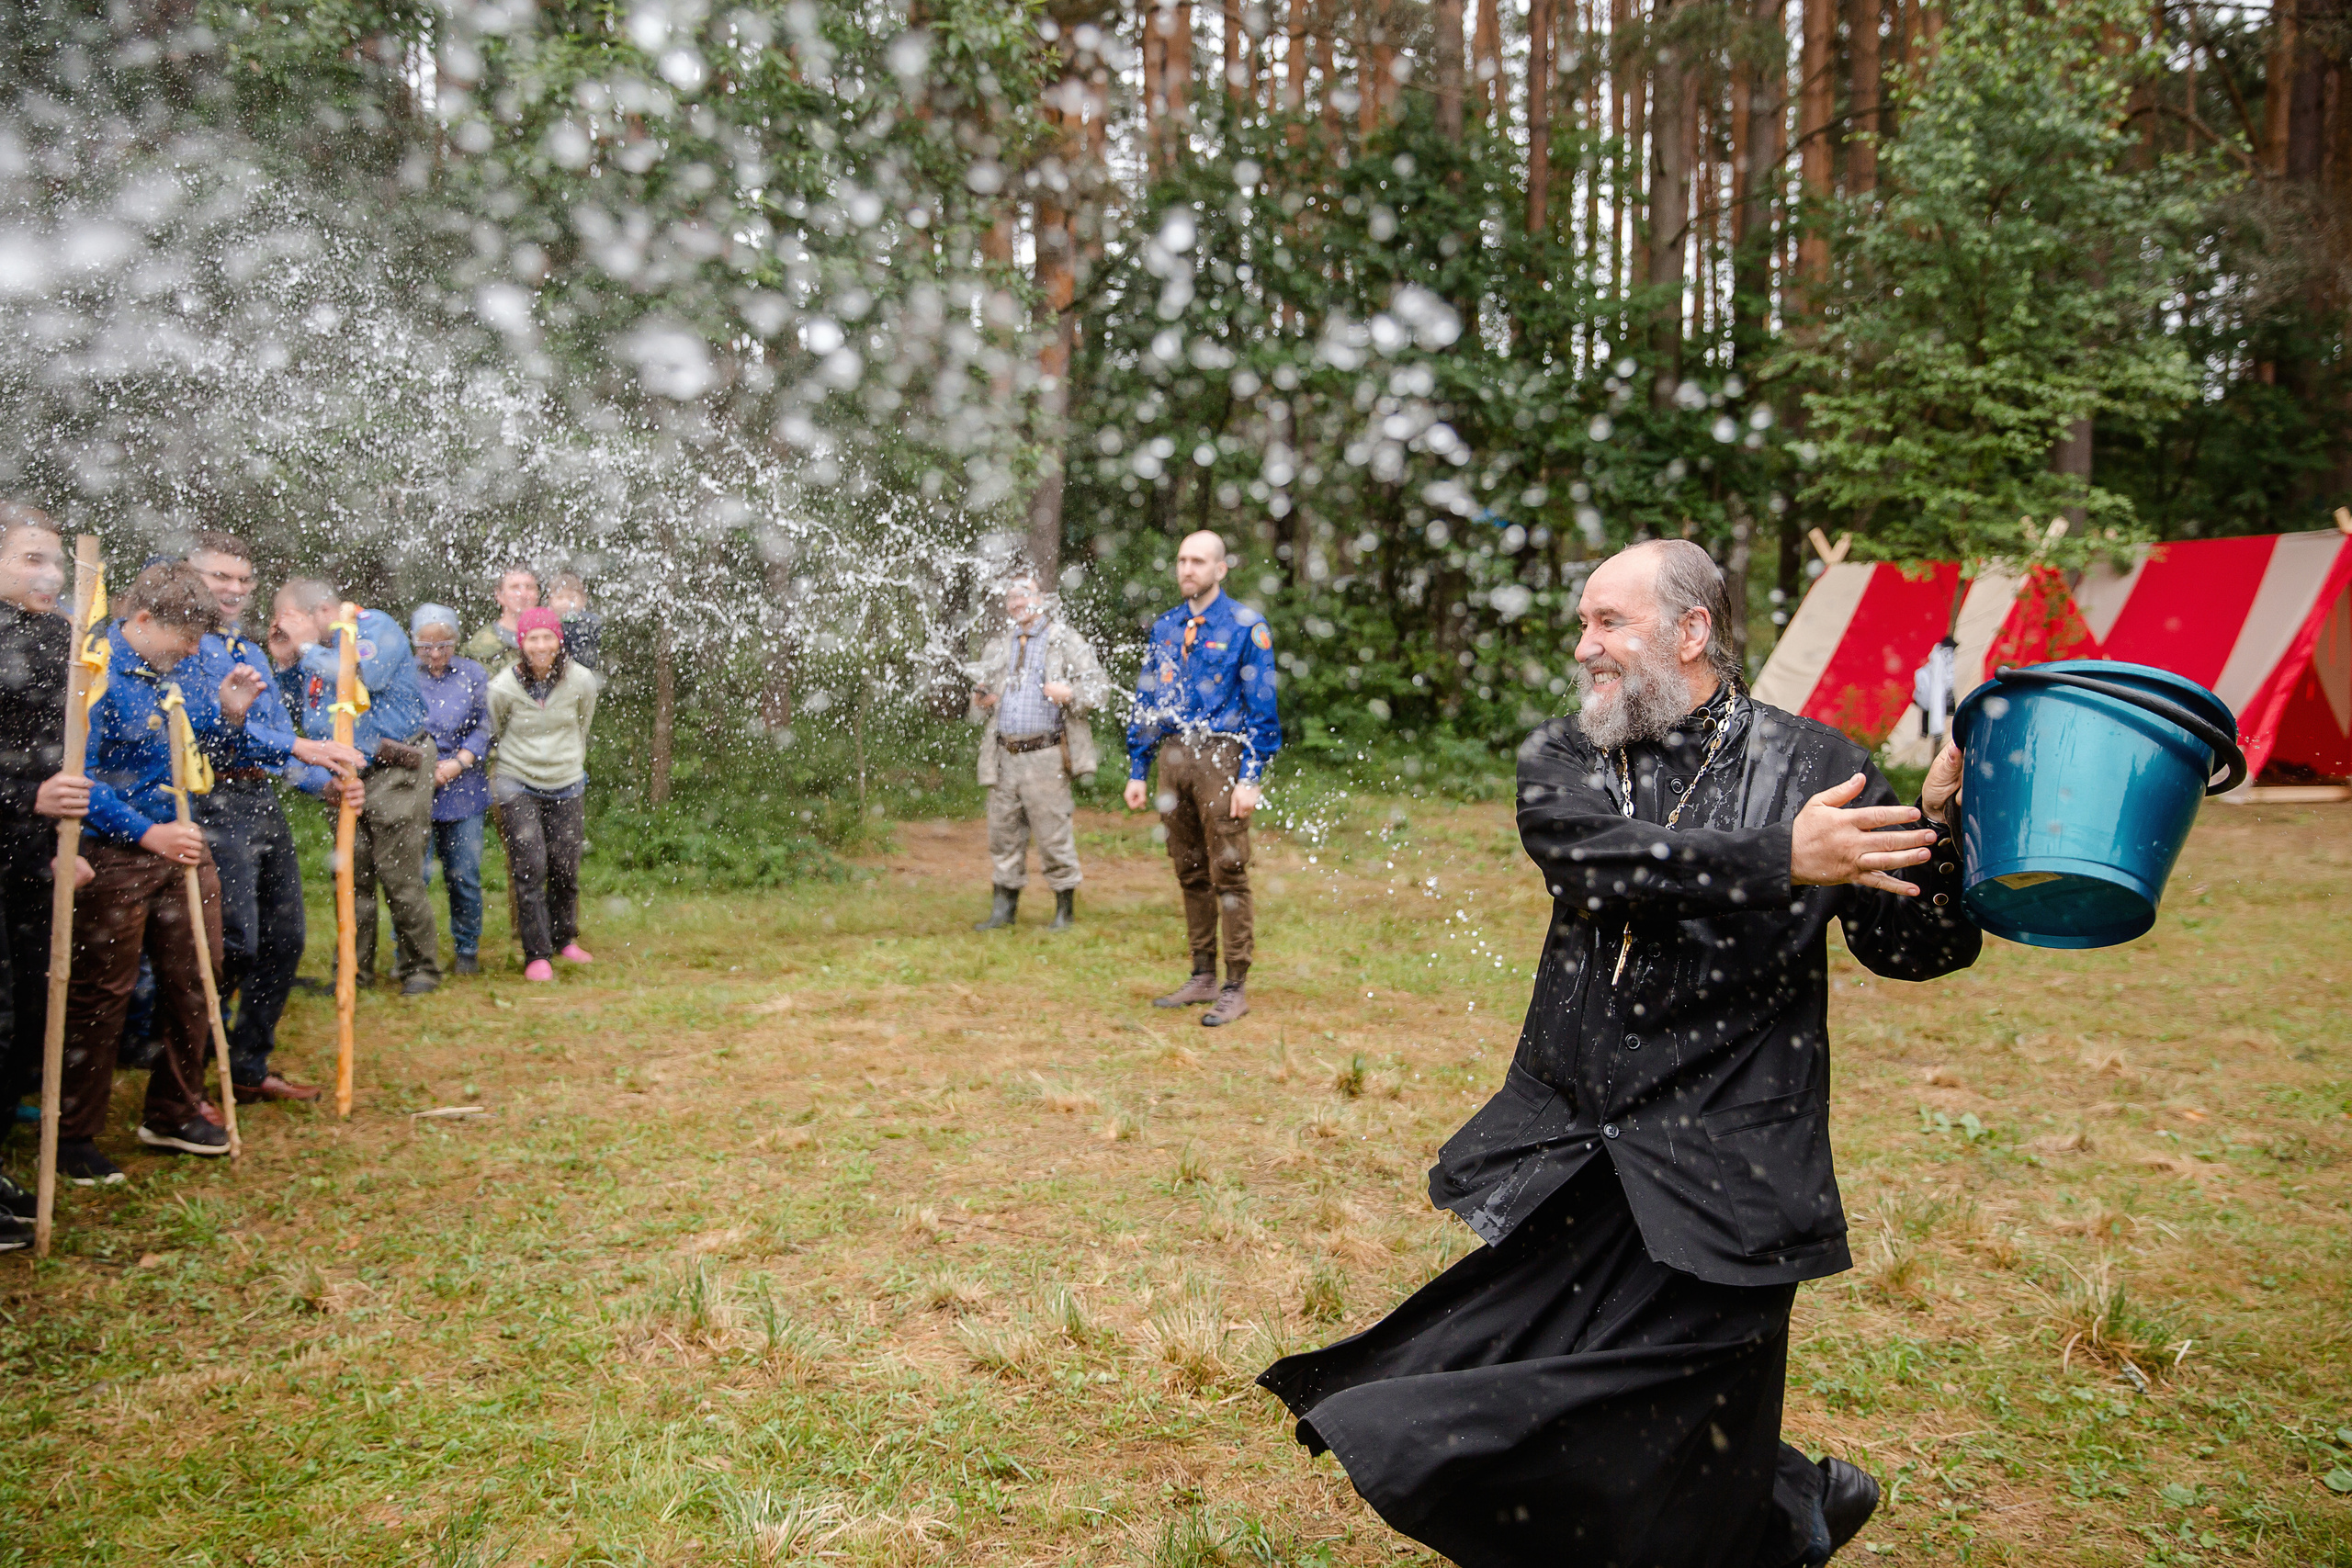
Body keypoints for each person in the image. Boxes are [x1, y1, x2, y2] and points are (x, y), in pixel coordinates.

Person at [1256, 539, 1981, 1568]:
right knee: (1523, 1401)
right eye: (1582, 623)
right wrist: (1782, 855)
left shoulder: (1820, 766)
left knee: (1683, 1426)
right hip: (1590, 1152)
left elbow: (1912, 947)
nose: (1584, 646)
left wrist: (1942, 830)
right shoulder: (1567, 757)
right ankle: (1787, 1506)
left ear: (1692, 632)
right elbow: (1598, 866)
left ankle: (1778, 1506)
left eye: (1609, 622)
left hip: (1734, 1159)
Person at [58, 561, 283, 1175]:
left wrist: (230, 714)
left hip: (182, 842)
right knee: (105, 991)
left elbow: (200, 744)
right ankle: (74, 1133)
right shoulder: (95, 672)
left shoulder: (178, 670)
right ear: (143, 618)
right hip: (116, 853)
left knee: (199, 975)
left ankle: (172, 1111)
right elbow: (79, 777)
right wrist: (146, 833)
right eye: (185, 637)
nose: (191, 650)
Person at [185, 533, 364, 1103]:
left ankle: (247, 1063)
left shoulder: (250, 651)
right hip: (208, 801)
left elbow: (278, 743)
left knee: (285, 939)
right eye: (220, 576)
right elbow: (204, 737)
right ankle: (188, 1068)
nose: (234, 589)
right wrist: (302, 748)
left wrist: (324, 783)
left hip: (260, 801)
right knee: (232, 943)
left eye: (244, 579)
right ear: (192, 576)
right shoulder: (183, 646)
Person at [1122, 530, 1283, 1028]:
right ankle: (1202, 974)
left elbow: (1262, 707)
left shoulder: (1246, 627)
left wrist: (1251, 776)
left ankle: (1235, 986)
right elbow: (1147, 698)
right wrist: (1138, 767)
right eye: (1182, 560)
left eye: (1198, 561)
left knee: (1228, 870)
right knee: (1188, 867)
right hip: (1174, 756)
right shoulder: (1167, 626)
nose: (1187, 569)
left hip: (1221, 757)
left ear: (1220, 569)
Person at [275, 578, 441, 996]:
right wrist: (286, 663)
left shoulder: (372, 627)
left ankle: (420, 967)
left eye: (289, 618)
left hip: (395, 767)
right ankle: (352, 970)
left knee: (399, 874)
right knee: (351, 875)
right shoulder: (313, 652)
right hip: (344, 773)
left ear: (319, 612)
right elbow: (291, 710)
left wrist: (306, 648)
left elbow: (357, 677)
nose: (283, 626)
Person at [0, 505, 87, 1222]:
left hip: (31, 855)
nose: (50, 574)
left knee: (30, 1008)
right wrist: (26, 794)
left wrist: (65, 844)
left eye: (56, 561)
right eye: (32, 558)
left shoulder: (58, 637)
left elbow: (66, 749)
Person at [969, 574, 1110, 931]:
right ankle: (1003, 911)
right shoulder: (998, 646)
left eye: (1024, 595)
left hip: (1046, 753)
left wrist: (1070, 694)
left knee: (1052, 835)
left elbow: (1100, 688)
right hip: (1003, 755)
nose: (1017, 603)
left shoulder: (1064, 640)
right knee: (1002, 835)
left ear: (1041, 599)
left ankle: (1064, 911)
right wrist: (982, 701)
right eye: (1011, 598)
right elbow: (979, 706)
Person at [486, 606, 598, 982]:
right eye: (533, 638)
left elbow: (583, 724)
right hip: (517, 780)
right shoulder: (503, 687)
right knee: (530, 865)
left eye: (547, 637)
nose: (541, 645)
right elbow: (496, 729)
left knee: (565, 865)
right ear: (522, 643)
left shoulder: (581, 680)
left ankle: (565, 937)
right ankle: (537, 953)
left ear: (558, 640)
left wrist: (567, 760)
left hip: (566, 780)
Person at [411, 604, 493, 976]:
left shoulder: (473, 674)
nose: (434, 654)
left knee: (463, 875)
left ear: (456, 641)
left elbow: (485, 725)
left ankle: (467, 950)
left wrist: (458, 762)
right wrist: (424, 765)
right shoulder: (403, 675)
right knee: (415, 877)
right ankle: (412, 953)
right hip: (414, 784)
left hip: (464, 787)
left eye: (443, 645)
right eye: (425, 646)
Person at [464, 563, 539, 678]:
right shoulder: (481, 644)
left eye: (529, 587)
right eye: (515, 587)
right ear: (498, 595)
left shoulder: (553, 638)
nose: (523, 594)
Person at [548, 570, 603, 673]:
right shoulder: (547, 624)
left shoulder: (588, 622)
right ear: (550, 600)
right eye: (560, 597)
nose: (566, 602)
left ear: (583, 600)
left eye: (572, 598)